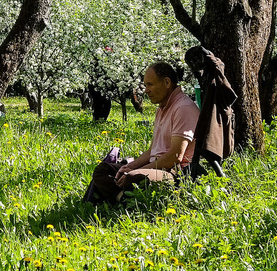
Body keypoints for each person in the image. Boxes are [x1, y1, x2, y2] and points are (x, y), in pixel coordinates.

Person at [85, 61, 200, 204]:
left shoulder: (183, 108)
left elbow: (175, 157)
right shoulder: (162, 108)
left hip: (173, 172)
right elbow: (153, 150)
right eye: (145, 85)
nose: (146, 90)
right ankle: (122, 198)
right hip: (154, 166)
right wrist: (130, 167)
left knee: (136, 177)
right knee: (103, 170)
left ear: (167, 82)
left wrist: (138, 171)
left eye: (150, 85)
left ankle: (119, 198)